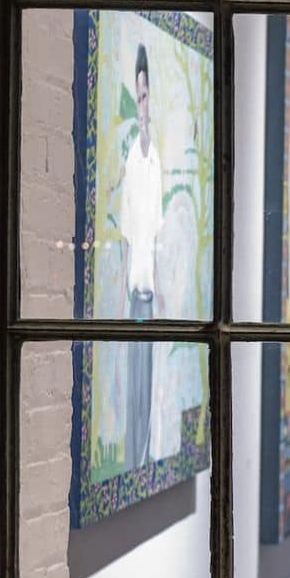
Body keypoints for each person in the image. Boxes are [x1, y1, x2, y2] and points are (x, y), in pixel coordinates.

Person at [119, 44, 163, 470]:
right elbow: (127, 236)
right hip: (135, 297)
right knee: (133, 380)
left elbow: (157, 232)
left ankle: (144, 457)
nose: (141, 106)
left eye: (145, 96)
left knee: (148, 380)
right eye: (137, 98)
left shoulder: (155, 162)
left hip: (149, 298)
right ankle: (135, 458)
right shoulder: (133, 160)